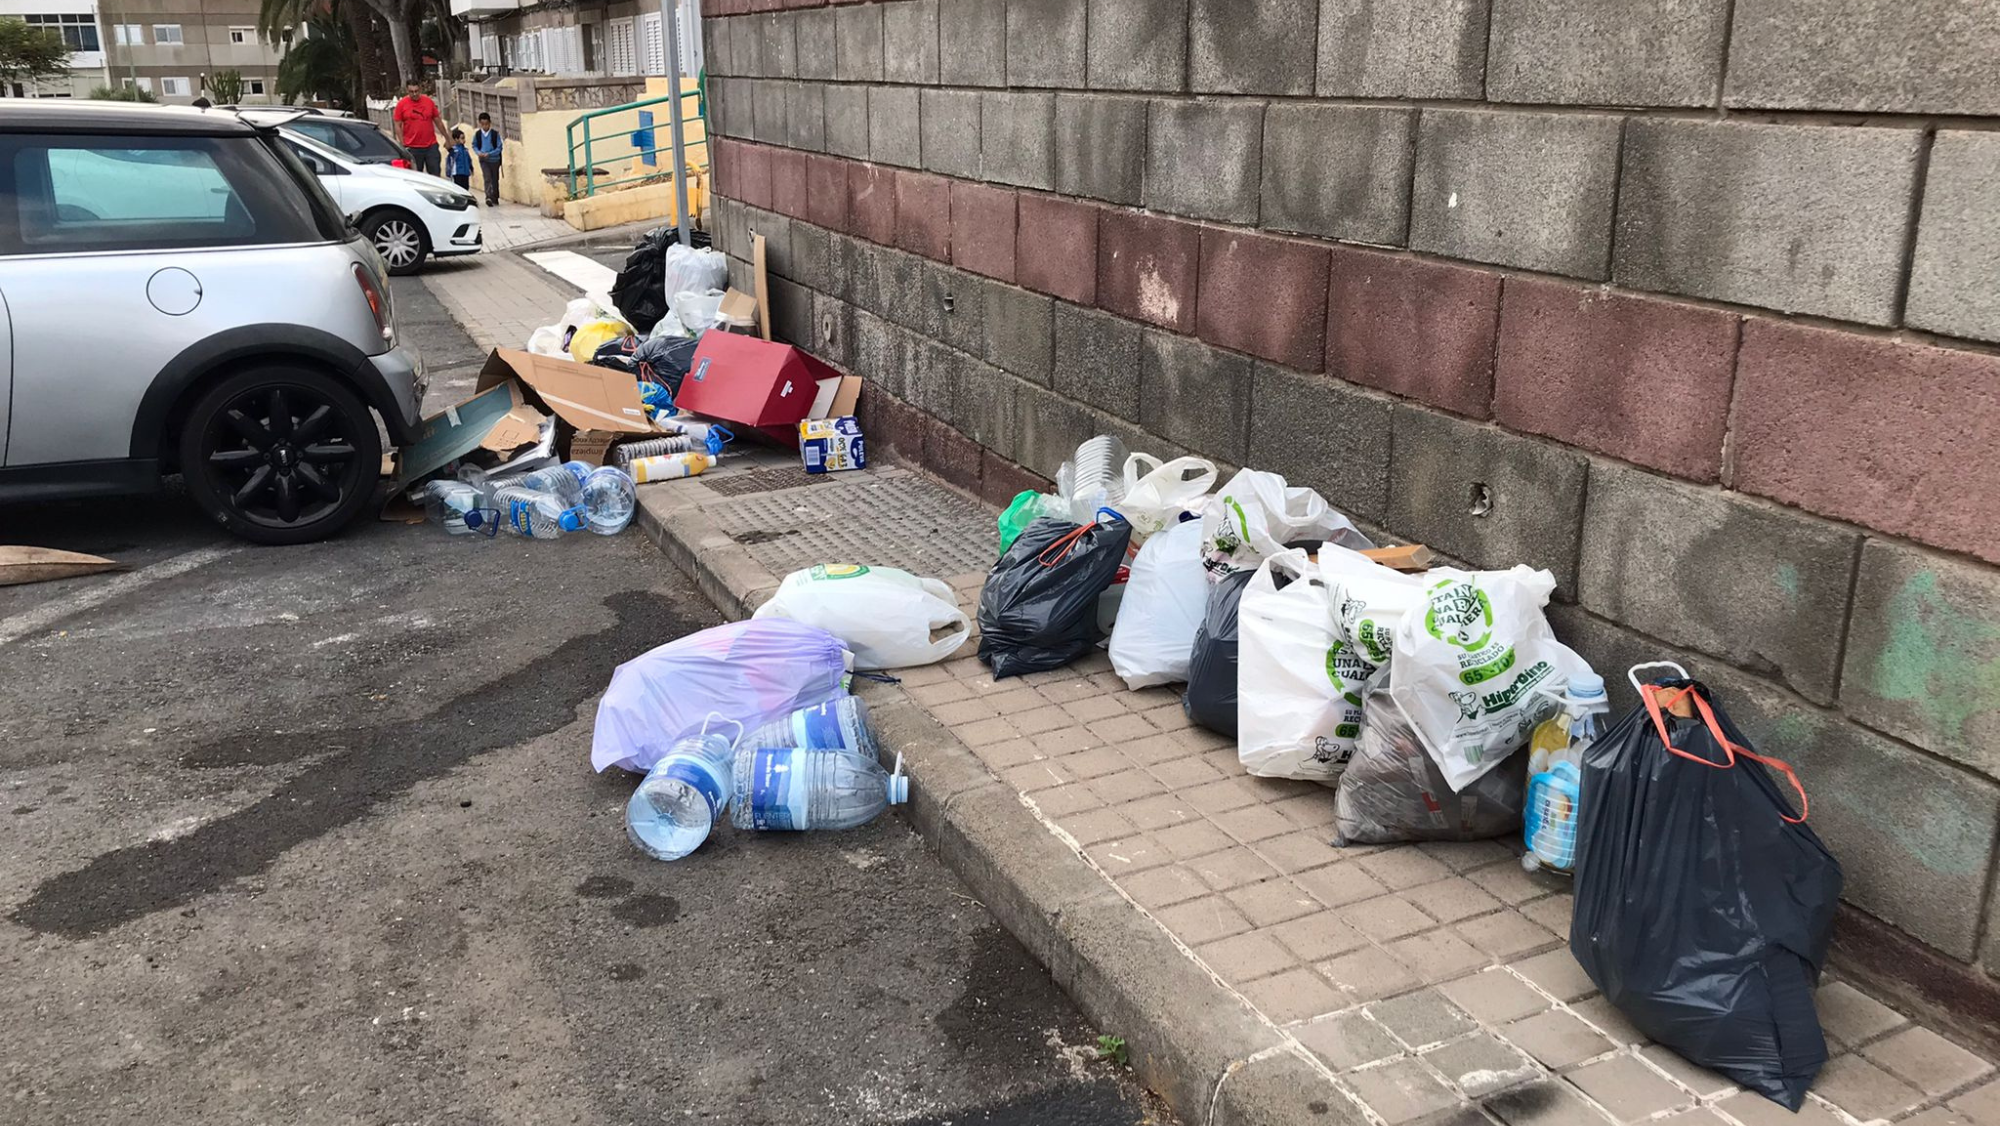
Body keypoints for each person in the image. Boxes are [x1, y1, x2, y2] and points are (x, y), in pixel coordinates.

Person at [393, 80, 442, 176]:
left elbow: (438, 121)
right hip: (412, 147)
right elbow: (397, 125)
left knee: (435, 174)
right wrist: (402, 144)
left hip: (430, 146)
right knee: (415, 176)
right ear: (407, 91)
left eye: (417, 91)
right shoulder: (401, 105)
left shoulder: (428, 102)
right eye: (411, 92)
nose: (414, 94)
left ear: (420, 89)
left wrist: (447, 138)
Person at [471, 112, 504, 207]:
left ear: (490, 123)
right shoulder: (477, 135)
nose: (485, 126)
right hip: (483, 160)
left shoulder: (494, 134)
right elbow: (474, 145)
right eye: (483, 124)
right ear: (480, 124)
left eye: (486, 124)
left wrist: (489, 154)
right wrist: (479, 153)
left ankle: (495, 196)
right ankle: (488, 196)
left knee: (495, 179)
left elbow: (499, 148)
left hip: (494, 160)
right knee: (487, 177)